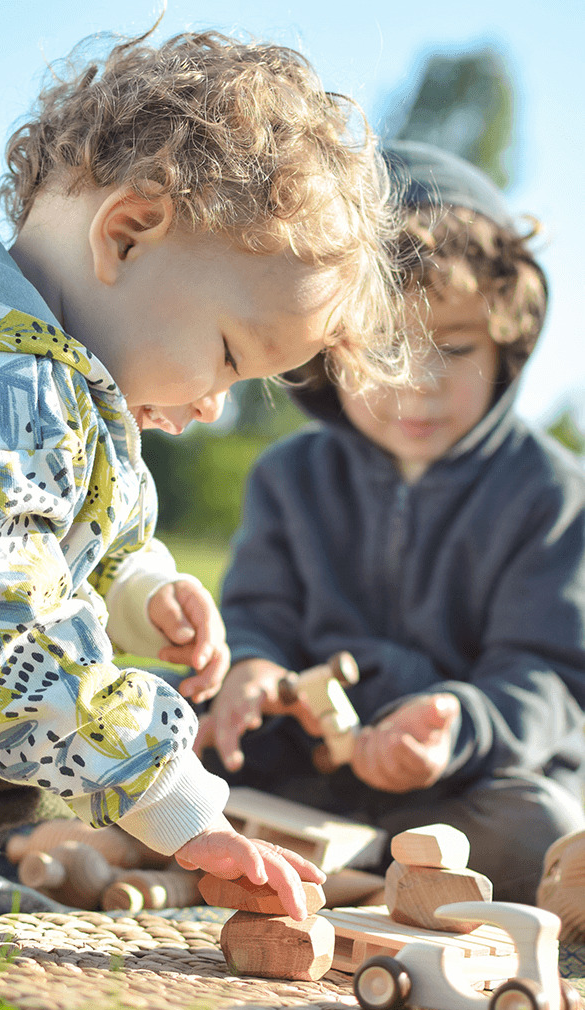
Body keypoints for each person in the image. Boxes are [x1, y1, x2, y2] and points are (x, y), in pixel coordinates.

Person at [0, 27, 406, 922]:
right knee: (30, 679)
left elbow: (39, 532)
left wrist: (140, 588)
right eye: (224, 354)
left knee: (89, 683)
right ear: (128, 233)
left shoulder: (27, 361)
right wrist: (180, 805)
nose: (214, 404)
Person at [197, 140, 585, 904]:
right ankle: (344, 876)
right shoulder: (290, 476)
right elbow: (258, 616)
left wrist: (458, 723)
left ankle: (334, 882)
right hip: (312, 776)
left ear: (507, 338)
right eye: (382, 349)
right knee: (161, 720)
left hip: (459, 790)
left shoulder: (550, 491)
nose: (416, 386)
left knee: (540, 825)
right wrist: (251, 668)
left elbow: (548, 674)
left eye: (452, 348)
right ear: (325, 350)